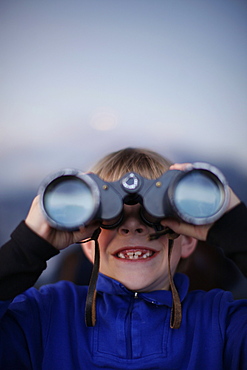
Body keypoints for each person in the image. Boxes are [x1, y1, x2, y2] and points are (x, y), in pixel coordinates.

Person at [0, 147, 246, 369]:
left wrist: (234, 225)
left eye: (154, 216)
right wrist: (28, 246)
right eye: (109, 217)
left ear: (189, 239)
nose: (132, 228)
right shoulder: (41, 317)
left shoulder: (224, 324)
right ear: (86, 241)